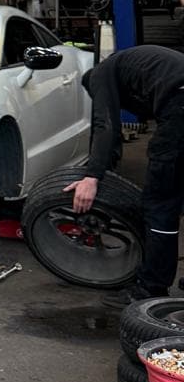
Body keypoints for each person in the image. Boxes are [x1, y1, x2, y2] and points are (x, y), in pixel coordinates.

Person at [65, 44, 184, 302]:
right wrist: (106, 168)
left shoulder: (100, 75)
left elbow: (105, 125)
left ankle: (151, 288)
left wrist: (92, 177)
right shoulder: (133, 67)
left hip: (180, 104)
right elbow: (115, 132)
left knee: (160, 204)